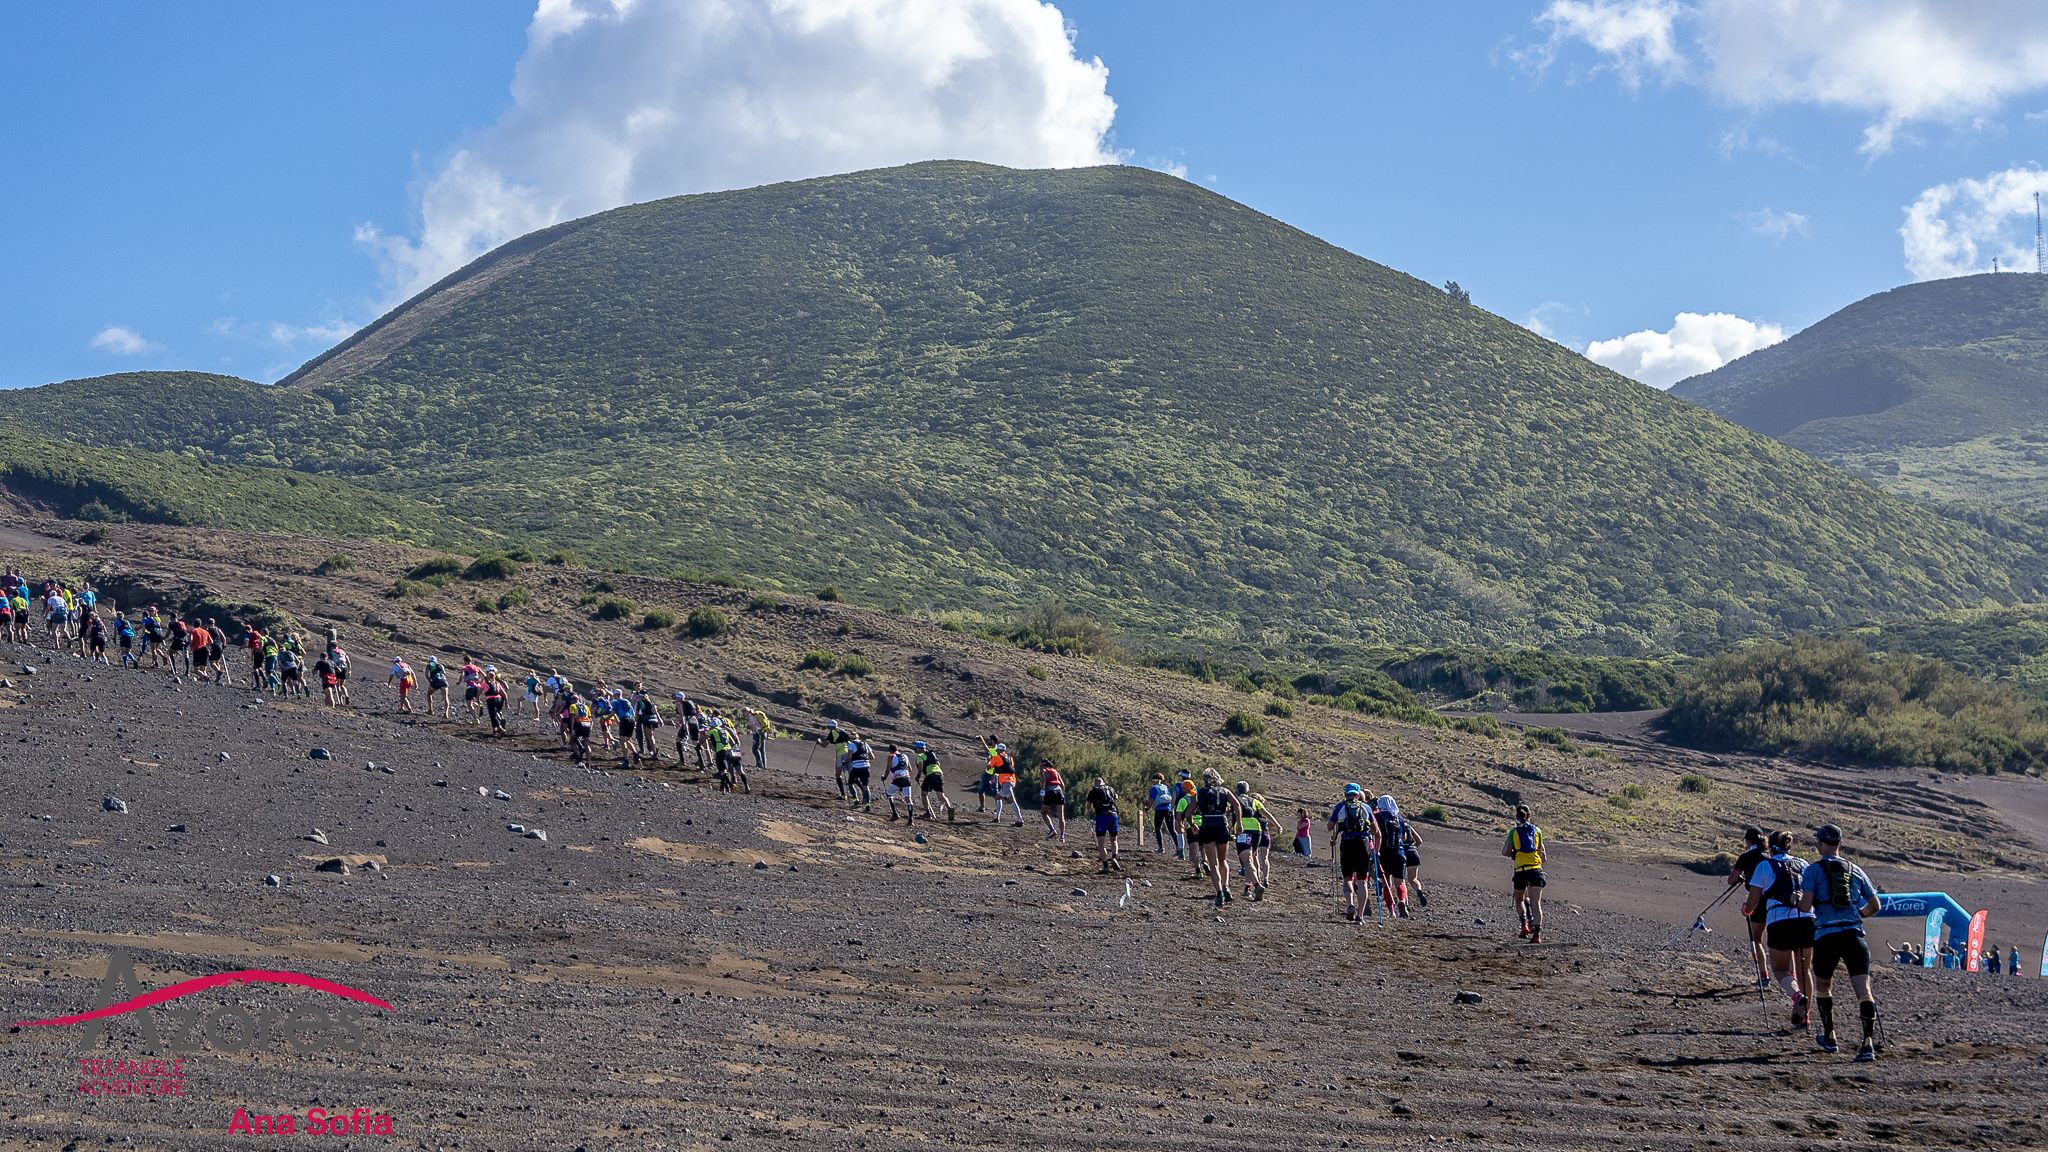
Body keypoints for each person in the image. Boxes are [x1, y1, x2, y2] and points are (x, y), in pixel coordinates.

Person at [1798, 824, 1881, 1061]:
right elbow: (1876, 905)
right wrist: (1857, 916)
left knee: (1823, 986)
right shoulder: (1855, 870)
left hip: (1826, 937)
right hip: (1853, 936)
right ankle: (1867, 1044)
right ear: (1839, 844)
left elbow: (1806, 906)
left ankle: (1830, 1036)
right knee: (1863, 991)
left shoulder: (1813, 870)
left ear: (1821, 844)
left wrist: (1795, 900)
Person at [1745, 830, 1817, 1030]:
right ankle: (1806, 1016)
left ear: (1770, 846)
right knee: (1804, 970)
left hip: (1781, 920)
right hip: (1807, 919)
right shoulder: (1804, 864)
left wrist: (1746, 910)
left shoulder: (1765, 866)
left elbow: (1753, 900)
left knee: (1780, 969)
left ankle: (1797, 996)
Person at [1191, 768, 1243, 910]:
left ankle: (1219, 892)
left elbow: (1188, 813)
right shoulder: (1225, 791)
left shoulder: (1199, 793)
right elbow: (1237, 805)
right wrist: (1238, 824)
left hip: (1207, 824)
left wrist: (1193, 825)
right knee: (1223, 860)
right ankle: (1226, 887)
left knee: (1213, 863)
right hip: (1221, 824)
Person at [1728, 827, 1772, 990]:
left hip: (1756, 901)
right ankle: (1789, 976)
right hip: (1774, 902)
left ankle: (1764, 975)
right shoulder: (1768, 857)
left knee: (1756, 939)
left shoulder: (1746, 857)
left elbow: (1731, 880)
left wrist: (1741, 877)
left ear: (1748, 841)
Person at [1503, 804, 1546, 944]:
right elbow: (1543, 855)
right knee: (1536, 903)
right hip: (1536, 870)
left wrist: (1515, 853)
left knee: (1519, 899)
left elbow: (1505, 852)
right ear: (1529, 815)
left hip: (1521, 870)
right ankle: (1537, 935)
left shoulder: (1513, 832)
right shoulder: (1537, 831)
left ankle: (1524, 925)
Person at [1373, 795, 1412, 918]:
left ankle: (1391, 911)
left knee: (1386, 883)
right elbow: (1405, 837)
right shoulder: (1399, 818)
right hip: (1399, 853)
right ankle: (1402, 901)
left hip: (1383, 854)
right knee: (1400, 882)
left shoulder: (1377, 817)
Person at [1233, 782, 1273, 901]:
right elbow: (1266, 813)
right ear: (1248, 790)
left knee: (1247, 861)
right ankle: (1249, 887)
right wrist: (1277, 825)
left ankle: (1256, 885)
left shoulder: (1234, 800)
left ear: (1237, 790)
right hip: (1257, 831)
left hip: (1243, 831)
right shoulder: (1254, 801)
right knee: (1252, 858)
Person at [1086, 775, 1121, 872]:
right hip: (1113, 815)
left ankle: (1106, 866)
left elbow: (1088, 806)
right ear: (1103, 782)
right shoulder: (1110, 789)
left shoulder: (1093, 791)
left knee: (1101, 843)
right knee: (1114, 840)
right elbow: (1116, 797)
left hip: (1101, 816)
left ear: (1095, 784)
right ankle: (1114, 857)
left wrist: (1091, 809)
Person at [916, 742, 955, 822]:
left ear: (919, 749)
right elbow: (938, 763)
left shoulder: (920, 756)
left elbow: (920, 767)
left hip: (930, 775)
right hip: (939, 774)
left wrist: (918, 776)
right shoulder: (932, 754)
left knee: (924, 794)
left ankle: (927, 813)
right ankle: (949, 808)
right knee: (941, 796)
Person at [991, 745, 1023, 826]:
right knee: (998, 797)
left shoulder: (996, 757)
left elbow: (989, 766)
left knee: (1012, 801)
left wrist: (989, 763)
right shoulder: (1010, 758)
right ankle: (997, 818)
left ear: (998, 750)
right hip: (1011, 781)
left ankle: (1020, 820)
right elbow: (1008, 768)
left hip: (1006, 782)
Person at [883, 744, 917, 822]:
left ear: (890, 750)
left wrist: (884, 777)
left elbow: (888, 769)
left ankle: (895, 814)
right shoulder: (905, 756)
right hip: (906, 778)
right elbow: (910, 769)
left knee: (889, 793)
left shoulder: (891, 756)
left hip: (898, 779)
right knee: (908, 799)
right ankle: (911, 819)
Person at [1146, 774, 1177, 855]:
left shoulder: (1153, 788)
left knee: (1157, 829)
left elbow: (1151, 800)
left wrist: (1147, 808)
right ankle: (1179, 848)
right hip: (1169, 809)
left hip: (1159, 810)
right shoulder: (1165, 787)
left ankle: (1161, 848)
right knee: (1172, 830)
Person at [842, 731, 873, 810]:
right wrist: (864, 758)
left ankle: (856, 799)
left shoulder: (851, 744)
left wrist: (844, 762)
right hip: (866, 767)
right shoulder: (865, 744)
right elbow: (872, 757)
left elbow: (849, 756)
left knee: (850, 783)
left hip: (856, 767)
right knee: (865, 786)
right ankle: (868, 804)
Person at [1039, 760, 1068, 843]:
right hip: (1059, 792)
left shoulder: (1044, 771)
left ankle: (1052, 829)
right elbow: (1062, 784)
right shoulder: (1055, 771)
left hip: (1049, 792)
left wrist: (1042, 793)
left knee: (1044, 812)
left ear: (1043, 765)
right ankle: (1062, 836)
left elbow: (1044, 783)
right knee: (1061, 816)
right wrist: (1062, 794)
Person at [483, 668, 509, 735]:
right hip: (500, 699)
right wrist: (506, 703)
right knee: (498, 712)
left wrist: (477, 698)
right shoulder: (499, 682)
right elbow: (505, 691)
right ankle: (495, 729)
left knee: (493, 715)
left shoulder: (487, 682)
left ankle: (499, 725)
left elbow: (481, 690)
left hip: (492, 699)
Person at [747, 707, 768, 772]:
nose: (743, 714)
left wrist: (754, 736)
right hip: (764, 732)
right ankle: (764, 766)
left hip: (758, 733)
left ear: (747, 712)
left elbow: (753, 727)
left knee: (755, 749)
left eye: (744, 712)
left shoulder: (750, 717)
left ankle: (759, 765)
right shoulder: (755, 716)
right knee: (762, 749)